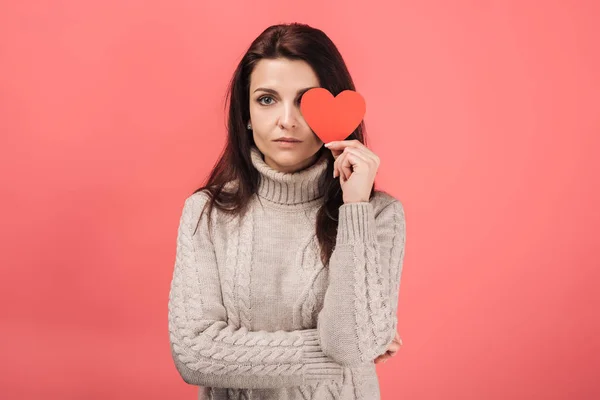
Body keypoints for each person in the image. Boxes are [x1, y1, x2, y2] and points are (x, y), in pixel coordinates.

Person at [168, 22, 406, 400]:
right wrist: (347, 351)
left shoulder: (377, 216)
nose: (287, 120)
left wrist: (354, 208)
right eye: (267, 99)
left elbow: (350, 344)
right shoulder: (206, 214)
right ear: (245, 113)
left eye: (305, 100)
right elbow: (195, 354)